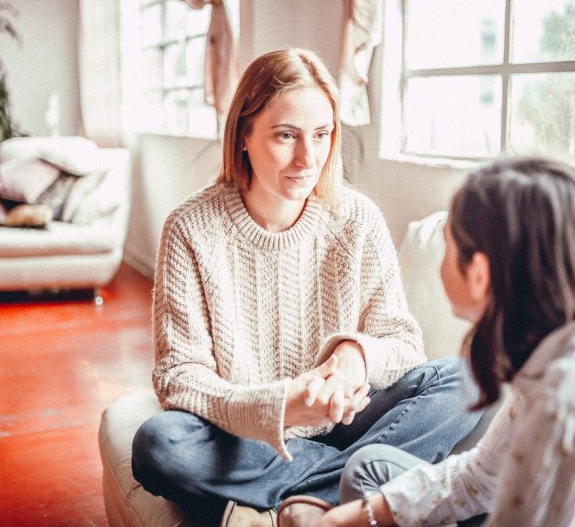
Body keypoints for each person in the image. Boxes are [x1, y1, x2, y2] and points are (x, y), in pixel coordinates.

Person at [130, 48, 481, 527]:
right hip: (246, 436)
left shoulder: (356, 218)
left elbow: (403, 342)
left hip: (347, 422)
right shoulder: (191, 229)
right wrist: (280, 406)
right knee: (159, 444)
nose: (308, 157)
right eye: (286, 135)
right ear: (244, 136)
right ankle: (354, 493)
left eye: (321, 135)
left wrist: (353, 359)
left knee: (466, 377)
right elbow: (179, 376)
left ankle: (294, 502)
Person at [277, 157, 575, 527]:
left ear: (479, 274)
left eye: (448, 243)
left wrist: (356, 356)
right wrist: (341, 520)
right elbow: (480, 479)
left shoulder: (559, 405)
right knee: (367, 469)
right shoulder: (540, 363)